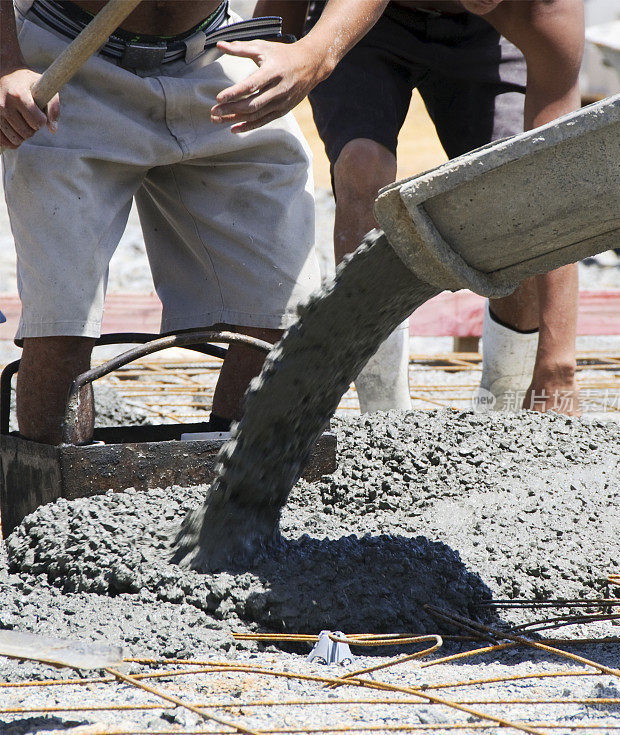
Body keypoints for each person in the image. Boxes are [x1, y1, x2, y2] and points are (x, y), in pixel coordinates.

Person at [0, 0, 391, 444]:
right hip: (65, 64)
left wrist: (316, 53)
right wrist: (5, 65)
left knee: (284, 315)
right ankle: (57, 504)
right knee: (61, 325)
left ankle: (236, 497)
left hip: (213, 59)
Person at [250, 0, 584, 415]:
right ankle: (386, 420)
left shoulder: (548, 12)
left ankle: (502, 414)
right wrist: (271, 44)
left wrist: (558, 369)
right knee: (363, 168)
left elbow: (552, 176)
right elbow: (280, 29)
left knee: (515, 197)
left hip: (486, 39)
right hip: (367, 20)